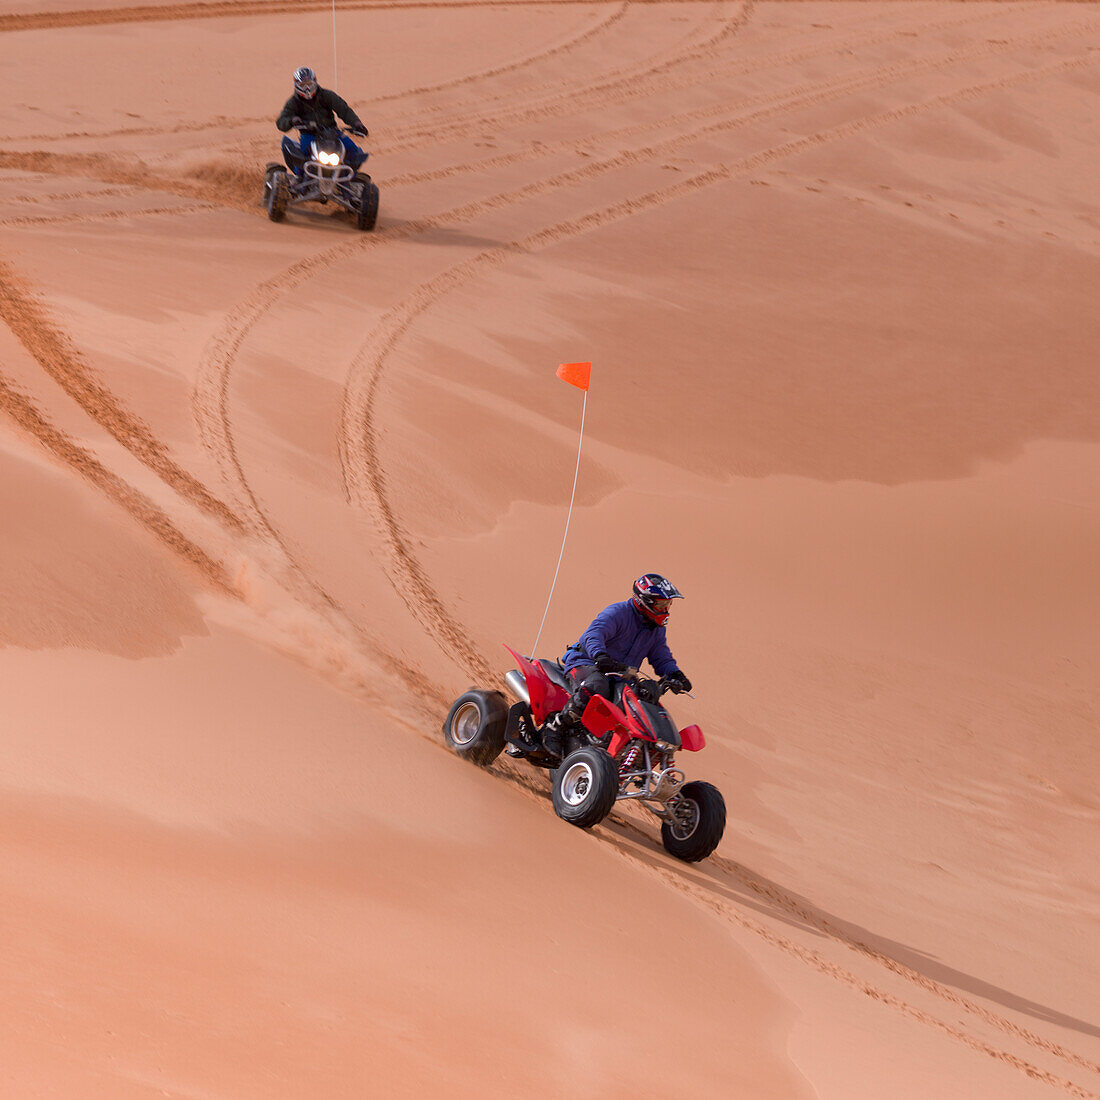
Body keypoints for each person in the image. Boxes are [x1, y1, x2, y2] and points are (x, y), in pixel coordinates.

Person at [543, 574, 693, 758]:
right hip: (587, 662)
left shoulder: (656, 629)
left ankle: (610, 747)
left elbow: (661, 656)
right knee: (598, 685)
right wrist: (600, 655)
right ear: (645, 601)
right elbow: (594, 634)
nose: (666, 609)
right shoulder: (619, 612)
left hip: (620, 674)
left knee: (638, 699)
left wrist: (675, 674)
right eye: (662, 605)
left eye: (668, 605)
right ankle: (556, 726)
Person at [276, 66, 369, 174]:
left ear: (315, 82)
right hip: (309, 135)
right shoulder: (293, 102)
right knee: (302, 158)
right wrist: (292, 120)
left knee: (353, 150)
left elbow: (344, 110)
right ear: (296, 85)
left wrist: (357, 124)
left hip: (332, 133)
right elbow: (281, 122)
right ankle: (297, 181)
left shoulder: (326, 95)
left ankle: (351, 178)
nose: (307, 88)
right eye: (302, 85)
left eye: (309, 84)